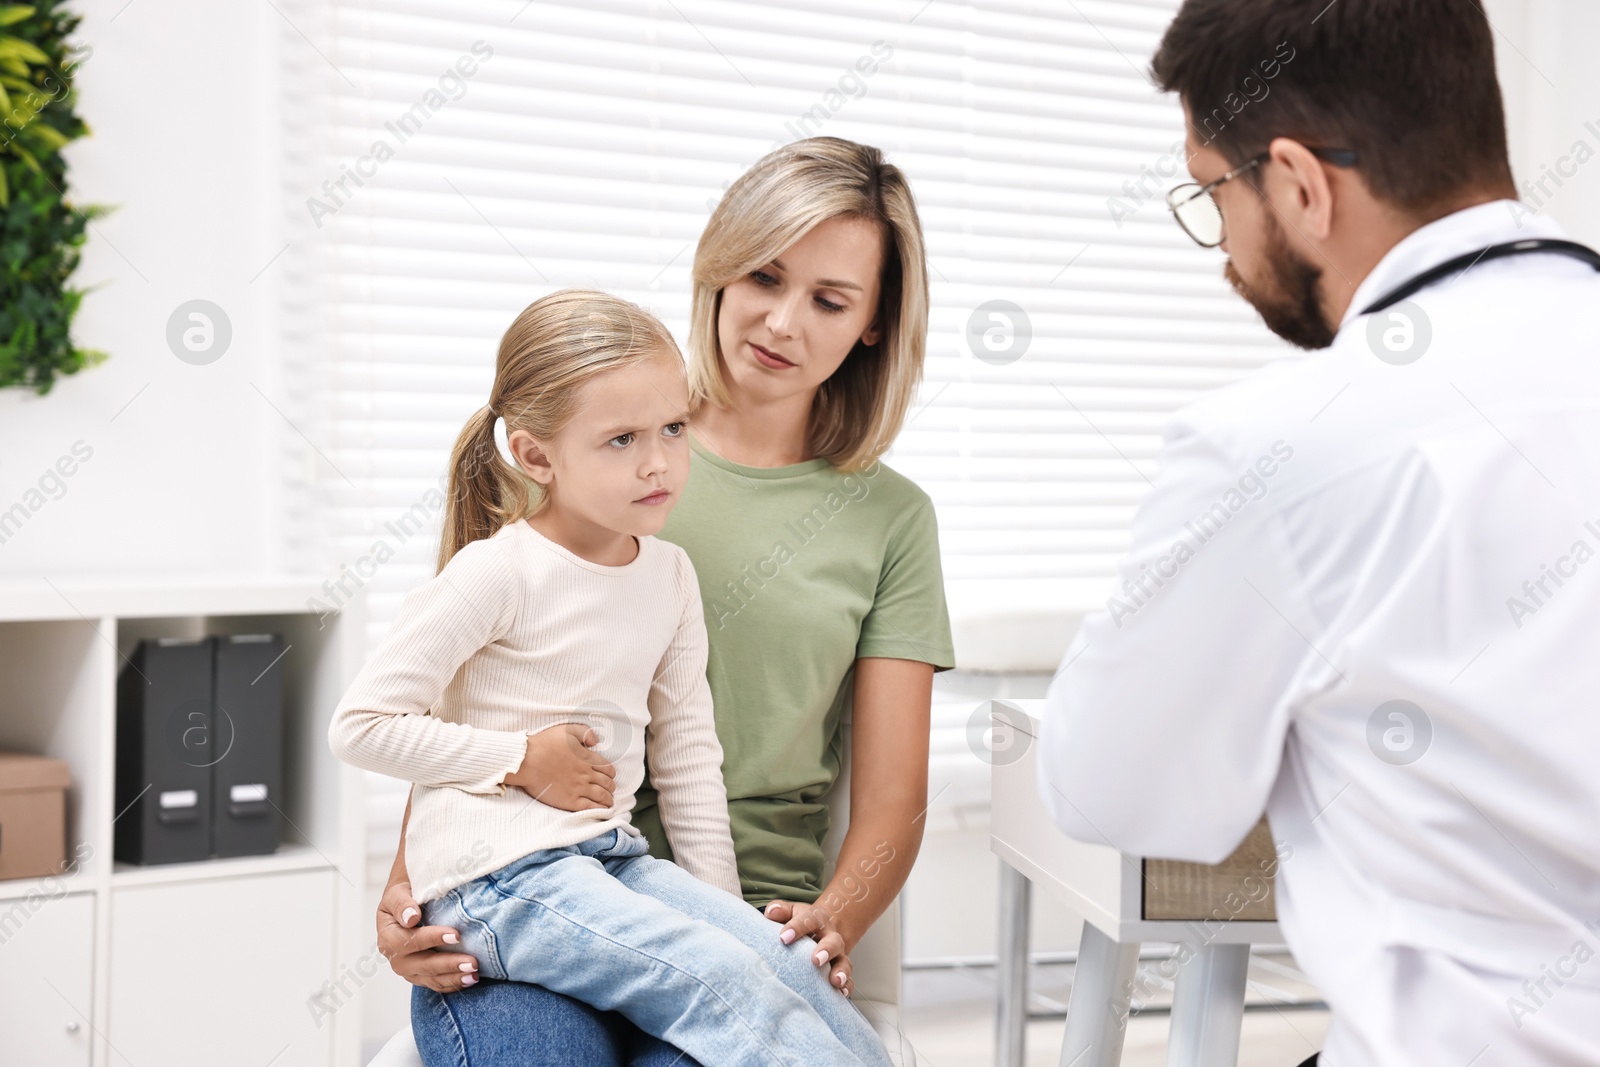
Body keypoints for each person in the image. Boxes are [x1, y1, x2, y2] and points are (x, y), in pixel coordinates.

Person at [1037, 2, 1600, 1065]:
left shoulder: (1281, 445)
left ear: (1298, 183)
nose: (1223, 248)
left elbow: (1110, 786)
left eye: (1212, 191)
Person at [375, 139, 957, 1066]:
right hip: (530, 888)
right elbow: (461, 690)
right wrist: (411, 885)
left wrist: (829, 922)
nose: (780, 319)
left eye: (830, 299)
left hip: (738, 905)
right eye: (763, 275)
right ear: (721, 269)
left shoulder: (890, 520)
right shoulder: (593, 438)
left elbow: (892, 799)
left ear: (876, 324)